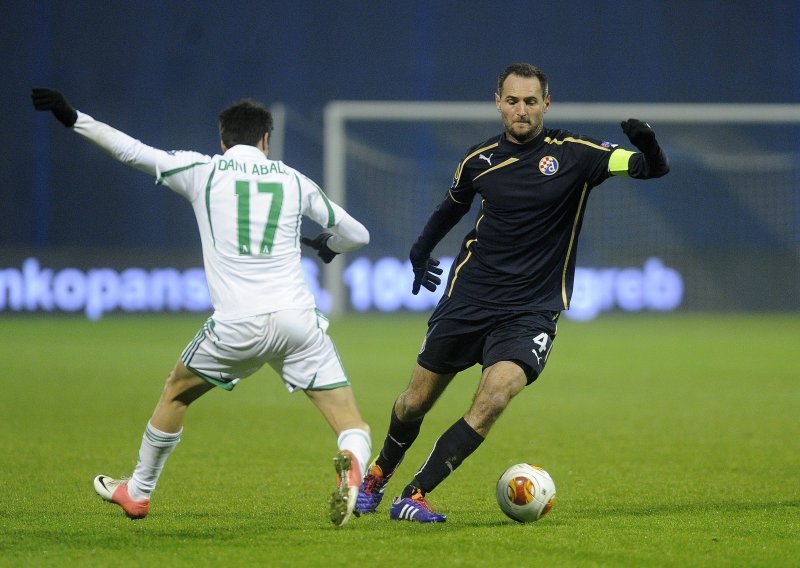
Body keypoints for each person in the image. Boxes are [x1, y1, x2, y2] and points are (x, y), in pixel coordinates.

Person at [31, 88, 372, 527]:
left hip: (237, 324)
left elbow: (131, 152)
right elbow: (357, 234)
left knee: (176, 391)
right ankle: (351, 460)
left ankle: (137, 492)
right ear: (267, 139)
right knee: (354, 425)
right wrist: (329, 244)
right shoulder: (293, 180)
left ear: (224, 140)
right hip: (298, 323)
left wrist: (72, 117)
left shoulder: (203, 170)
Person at [355, 63, 670, 523]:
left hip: (531, 309)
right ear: (498, 103)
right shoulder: (479, 160)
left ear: (547, 103)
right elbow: (450, 210)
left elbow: (649, 169)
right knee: (414, 402)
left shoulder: (578, 154)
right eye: (512, 100)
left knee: (495, 396)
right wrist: (420, 254)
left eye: (530, 101)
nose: (521, 110)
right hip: (469, 298)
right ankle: (380, 471)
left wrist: (648, 144)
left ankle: (414, 494)